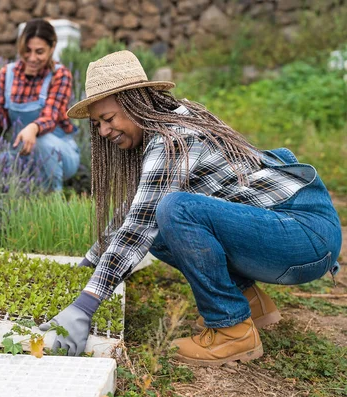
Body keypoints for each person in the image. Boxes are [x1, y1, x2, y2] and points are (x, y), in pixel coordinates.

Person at [39, 50, 342, 365]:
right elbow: (132, 215)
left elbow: (137, 229)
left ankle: (231, 331)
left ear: (134, 103)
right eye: (97, 124)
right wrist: (83, 272)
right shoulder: (166, 128)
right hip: (290, 234)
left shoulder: (173, 139)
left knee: (175, 210)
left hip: (304, 235)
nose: (102, 131)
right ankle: (248, 303)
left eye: (108, 119)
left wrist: (85, 306)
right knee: (158, 222)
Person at [0, 19, 80, 191]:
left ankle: (52, 203)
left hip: (59, 153)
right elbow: (1, 127)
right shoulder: (7, 74)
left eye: (39, 52)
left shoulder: (59, 75)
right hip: (22, 153)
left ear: (52, 47)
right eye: (27, 51)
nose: (32, 58)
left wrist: (32, 128)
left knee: (41, 143)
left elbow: (50, 118)